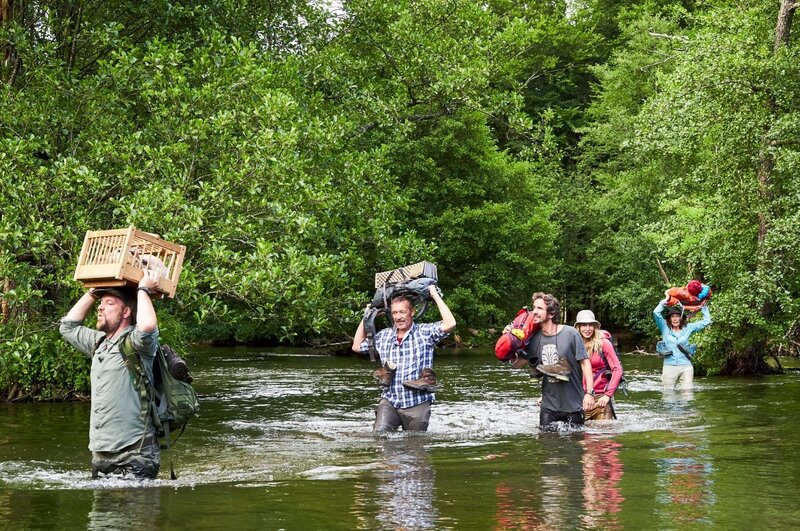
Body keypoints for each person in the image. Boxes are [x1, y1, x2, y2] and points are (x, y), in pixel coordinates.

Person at [59, 271, 161, 479]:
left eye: (109, 303)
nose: (100, 307)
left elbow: (148, 326)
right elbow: (68, 327)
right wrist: (94, 291)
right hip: (101, 454)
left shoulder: (138, 343)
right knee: (102, 513)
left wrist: (143, 289)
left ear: (126, 312)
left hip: (135, 453)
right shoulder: (98, 343)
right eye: (101, 303)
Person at [352, 284, 456, 432]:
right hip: (390, 401)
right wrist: (367, 315)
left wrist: (434, 294)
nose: (398, 317)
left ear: (412, 312)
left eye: (402, 312)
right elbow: (356, 346)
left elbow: (450, 323)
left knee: (415, 446)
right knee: (380, 438)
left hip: (417, 403)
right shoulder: (384, 336)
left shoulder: (425, 333)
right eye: (395, 313)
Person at [523, 292, 595, 431]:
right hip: (548, 407)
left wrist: (589, 394)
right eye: (534, 308)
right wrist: (510, 341)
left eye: (539, 308)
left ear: (551, 314)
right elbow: (517, 364)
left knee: (575, 449)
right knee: (548, 448)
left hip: (573, 406)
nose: (534, 312)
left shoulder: (571, 334)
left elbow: (585, 363)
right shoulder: (533, 339)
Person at [652, 294, 712, 389]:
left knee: (687, 395)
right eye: (672, 317)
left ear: (681, 318)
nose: (675, 319)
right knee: (668, 396)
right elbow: (656, 313)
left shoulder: (688, 328)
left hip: (686, 366)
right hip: (669, 366)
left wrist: (703, 306)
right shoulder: (664, 327)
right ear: (669, 319)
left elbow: (706, 321)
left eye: (677, 316)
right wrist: (666, 300)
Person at [574, 310, 623, 420]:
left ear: (595, 326)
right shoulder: (573, 344)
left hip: (601, 399)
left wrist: (607, 395)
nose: (587, 329)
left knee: (604, 435)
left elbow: (617, 369)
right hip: (579, 399)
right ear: (578, 327)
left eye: (590, 325)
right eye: (584, 325)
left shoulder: (604, 343)